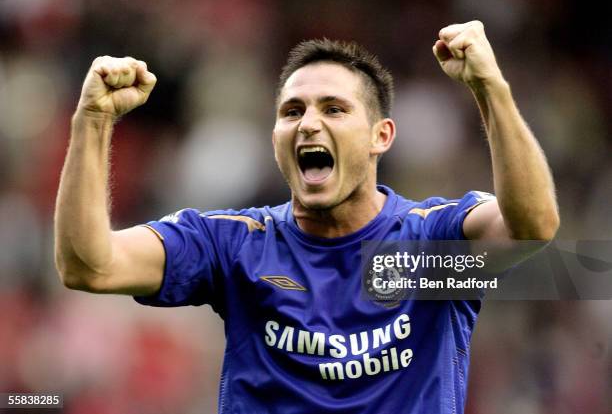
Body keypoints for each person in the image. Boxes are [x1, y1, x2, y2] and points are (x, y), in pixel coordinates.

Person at [54, 21, 559, 413]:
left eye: (334, 109)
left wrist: (490, 88)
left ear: (381, 136)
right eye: (292, 111)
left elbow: (532, 226)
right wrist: (94, 122)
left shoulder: (430, 248)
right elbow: (90, 266)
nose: (308, 124)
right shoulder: (234, 245)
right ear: (275, 136)